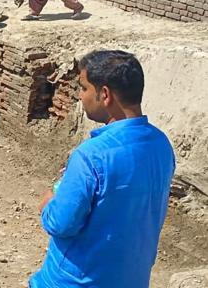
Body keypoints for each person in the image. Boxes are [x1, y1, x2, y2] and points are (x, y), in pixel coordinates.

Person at [30, 50, 175, 288]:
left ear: (105, 94)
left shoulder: (91, 155)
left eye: (84, 88)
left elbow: (61, 223)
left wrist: (48, 202)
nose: (80, 95)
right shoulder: (161, 144)